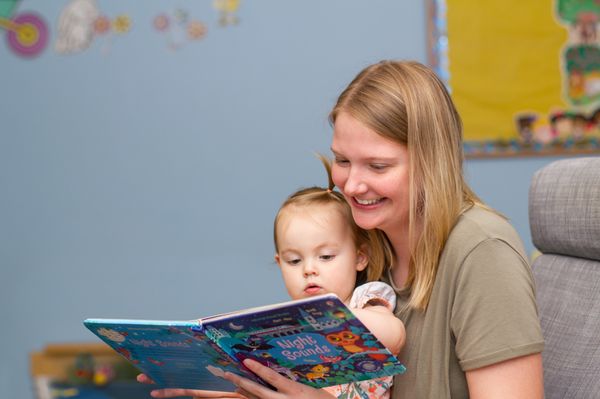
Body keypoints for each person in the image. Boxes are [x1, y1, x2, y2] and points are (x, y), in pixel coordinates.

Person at [143, 60, 545, 399]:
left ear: (431, 161)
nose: (351, 186)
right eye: (343, 161)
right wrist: (230, 384)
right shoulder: (364, 242)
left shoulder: (482, 250)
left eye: (378, 166)